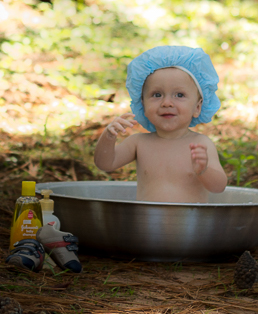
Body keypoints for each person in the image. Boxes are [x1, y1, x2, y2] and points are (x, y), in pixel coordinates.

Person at [94, 46, 227, 203]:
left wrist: (204, 171)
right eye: (157, 95)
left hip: (189, 224)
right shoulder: (139, 143)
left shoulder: (201, 145)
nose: (167, 103)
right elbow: (105, 164)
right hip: (147, 224)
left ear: (197, 107)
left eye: (179, 95)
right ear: (142, 104)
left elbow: (219, 187)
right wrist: (108, 136)